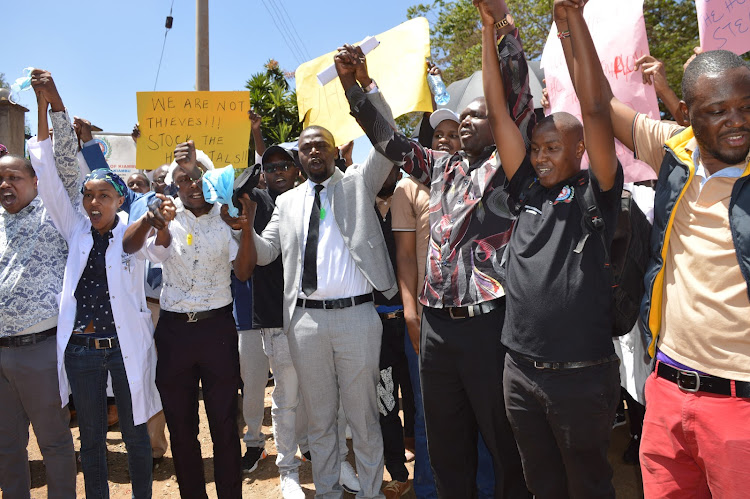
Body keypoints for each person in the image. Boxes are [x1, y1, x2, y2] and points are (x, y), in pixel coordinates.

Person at [341, 1, 532, 494]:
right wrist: (354, 86)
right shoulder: (442, 169)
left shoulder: (509, 172)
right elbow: (390, 143)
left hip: (488, 326)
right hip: (436, 327)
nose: (465, 123)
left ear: (502, 126)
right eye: (460, 118)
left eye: (477, 116)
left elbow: (515, 94)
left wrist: (501, 27)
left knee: (501, 439)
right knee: (447, 446)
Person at [577, 7, 750, 498]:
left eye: (746, 105)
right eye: (718, 110)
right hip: (668, 395)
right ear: (687, 115)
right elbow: (597, 102)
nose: (736, 121)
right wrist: (572, 22)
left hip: (741, 414)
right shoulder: (674, 151)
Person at [480, 0, 622, 496]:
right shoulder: (526, 191)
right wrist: (487, 31)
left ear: (580, 149)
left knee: (587, 485)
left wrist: (573, 25)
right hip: (519, 373)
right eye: (536, 147)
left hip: (580, 378)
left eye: (552, 147)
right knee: (541, 484)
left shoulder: (595, 190)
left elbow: (596, 107)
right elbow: (498, 112)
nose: (539, 156)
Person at [245, 47, 398, 498]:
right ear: (298, 157)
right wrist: (242, 227)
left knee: (363, 417)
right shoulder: (287, 202)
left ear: (335, 152)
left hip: (356, 319)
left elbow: (388, 139)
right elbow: (267, 253)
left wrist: (361, 86)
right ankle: (329, 491)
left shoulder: (357, 183)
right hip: (305, 322)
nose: (313, 151)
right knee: (321, 419)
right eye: (306, 146)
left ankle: (369, 492)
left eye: (321, 145)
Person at [29, 85, 173, 498]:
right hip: (81, 351)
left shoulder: (132, 228)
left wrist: (155, 222)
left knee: (136, 434)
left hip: (123, 348)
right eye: (88, 196)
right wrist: (44, 105)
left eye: (103, 196)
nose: (93, 202)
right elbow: (45, 168)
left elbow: (152, 249)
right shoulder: (74, 227)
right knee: (90, 439)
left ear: (119, 200)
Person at [124, 140, 255, 499]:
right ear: (173, 184)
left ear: (209, 179)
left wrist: (244, 230)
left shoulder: (225, 217)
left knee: (225, 425)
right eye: (183, 178)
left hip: (218, 332)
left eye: (198, 176)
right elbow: (139, 247)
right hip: (174, 333)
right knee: (182, 429)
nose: (192, 184)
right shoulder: (163, 215)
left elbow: (243, 273)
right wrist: (159, 224)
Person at [392, 107, 496, 498]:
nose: (446, 138)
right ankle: (429, 491)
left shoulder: (483, 178)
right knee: (432, 418)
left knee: (487, 420)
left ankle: (487, 489)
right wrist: (411, 310)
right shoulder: (409, 187)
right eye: (439, 134)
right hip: (427, 321)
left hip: (479, 321)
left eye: (454, 133)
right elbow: (404, 256)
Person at [0, 71, 77, 499]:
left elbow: (64, 161)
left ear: (35, 182)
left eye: (14, 177)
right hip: (0, 354)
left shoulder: (55, 213)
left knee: (53, 443)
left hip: (39, 351)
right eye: (0, 179)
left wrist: (53, 102)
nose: (5, 184)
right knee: (7, 447)